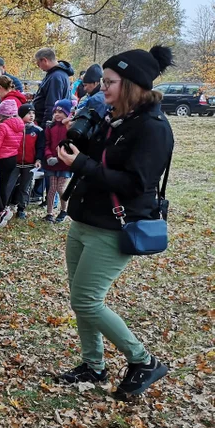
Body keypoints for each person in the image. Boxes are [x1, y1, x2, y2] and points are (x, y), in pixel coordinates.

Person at [54, 45, 174, 400]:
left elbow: (137, 183)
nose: (103, 87)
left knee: (88, 301)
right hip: (86, 219)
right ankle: (93, 366)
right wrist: (76, 137)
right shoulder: (115, 117)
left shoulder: (152, 128)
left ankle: (143, 360)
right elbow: (97, 158)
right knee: (80, 300)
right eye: (103, 81)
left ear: (133, 84)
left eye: (109, 82)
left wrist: (83, 166)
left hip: (115, 226)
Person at [0, 76, 28, 225]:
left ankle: (0, 211)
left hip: (1, 159)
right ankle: (3, 208)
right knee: (4, 184)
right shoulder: (20, 125)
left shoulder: (3, 126)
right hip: (13, 158)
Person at [43, 99, 74, 222]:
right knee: (51, 188)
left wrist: (62, 157)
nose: (57, 114)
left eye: (60, 112)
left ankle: (64, 210)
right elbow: (47, 143)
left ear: (67, 114)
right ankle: (49, 213)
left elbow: (71, 144)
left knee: (61, 188)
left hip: (65, 163)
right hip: (52, 163)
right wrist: (49, 156)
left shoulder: (70, 127)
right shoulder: (50, 127)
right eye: (55, 112)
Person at [12, 106, 44, 219]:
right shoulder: (15, 128)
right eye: (28, 113)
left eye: (33, 113)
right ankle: (6, 206)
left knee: (25, 187)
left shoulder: (38, 130)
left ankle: (21, 208)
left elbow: (40, 147)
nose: (31, 115)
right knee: (9, 185)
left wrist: (38, 159)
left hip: (29, 164)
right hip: (14, 162)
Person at [32, 48, 74, 125]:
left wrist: (45, 127)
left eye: (38, 64)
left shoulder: (55, 77)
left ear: (44, 60)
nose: (39, 67)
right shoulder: (56, 74)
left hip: (47, 122)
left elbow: (52, 104)